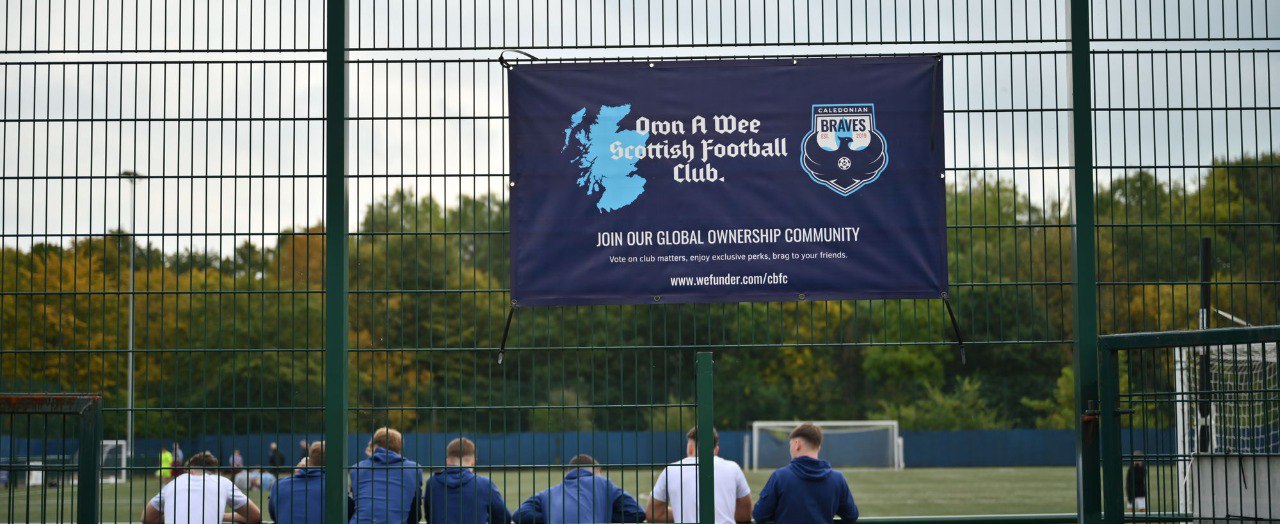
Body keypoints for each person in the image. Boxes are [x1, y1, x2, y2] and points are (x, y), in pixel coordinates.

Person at [753, 423, 858, 523]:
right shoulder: (838, 479)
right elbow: (851, 516)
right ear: (819, 448)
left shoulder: (780, 476)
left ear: (797, 444)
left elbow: (759, 515)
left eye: (790, 444)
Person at [649, 427, 751, 524]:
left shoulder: (671, 470)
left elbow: (654, 514)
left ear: (690, 448)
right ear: (716, 450)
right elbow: (745, 515)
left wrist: (680, 513)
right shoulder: (733, 468)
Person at [514, 454, 645, 524]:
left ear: (569, 471)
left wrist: (553, 516)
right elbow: (637, 513)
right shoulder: (603, 483)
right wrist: (600, 516)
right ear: (596, 470)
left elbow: (519, 515)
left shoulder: (548, 493)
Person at [142, 451, 262, 524]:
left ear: (191, 470)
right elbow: (255, 516)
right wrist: (223, 516)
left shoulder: (173, 483)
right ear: (214, 472)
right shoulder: (222, 482)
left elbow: (146, 518)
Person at [423, 437, 511, 524]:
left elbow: (429, 517)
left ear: (447, 461)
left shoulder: (432, 483)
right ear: (473, 462)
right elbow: (504, 518)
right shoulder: (485, 484)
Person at [350, 427, 423, 524]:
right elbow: (415, 511)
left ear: (375, 447)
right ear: (399, 448)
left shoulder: (357, 468)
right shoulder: (414, 469)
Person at [271, 441, 352, 524]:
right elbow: (348, 514)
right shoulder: (335, 487)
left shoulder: (279, 485)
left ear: (309, 460)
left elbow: (274, 515)